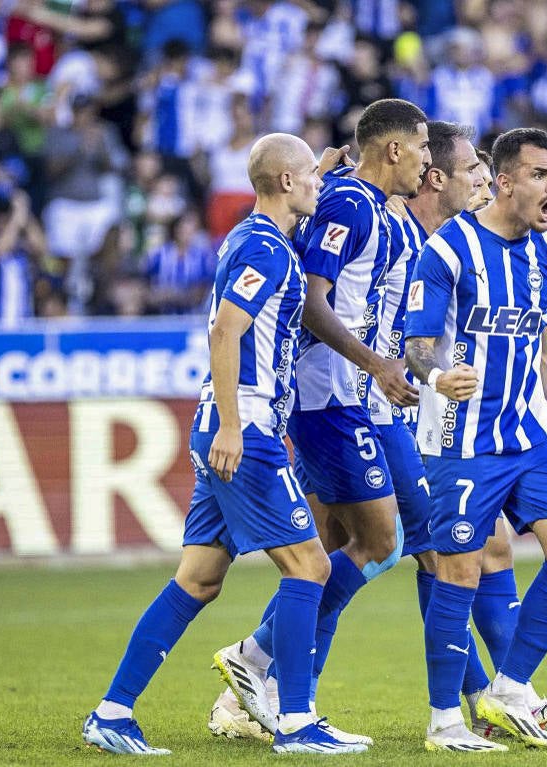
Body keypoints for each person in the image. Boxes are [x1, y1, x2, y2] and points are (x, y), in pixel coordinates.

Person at [81, 132, 368, 756]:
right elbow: (225, 332)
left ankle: (112, 712)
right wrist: (237, 427)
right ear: (286, 183)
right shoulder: (266, 250)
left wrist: (320, 163)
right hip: (248, 429)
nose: (320, 187)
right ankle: (295, 721)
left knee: (199, 578)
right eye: (311, 179)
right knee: (311, 566)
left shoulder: (255, 237)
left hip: (228, 424)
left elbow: (284, 193)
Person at [210, 99, 430, 745]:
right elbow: (312, 299)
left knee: (332, 552)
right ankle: (258, 660)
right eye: (424, 151)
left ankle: (258, 692)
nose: (427, 164)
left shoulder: (383, 215)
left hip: (351, 396)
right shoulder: (350, 205)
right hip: (326, 397)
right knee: (380, 540)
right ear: (396, 150)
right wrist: (375, 363)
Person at [405, 127, 547, 751]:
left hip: (524, 433)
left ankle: (509, 690)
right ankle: (445, 721)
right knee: (459, 571)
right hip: (459, 436)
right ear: (504, 182)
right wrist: (440, 375)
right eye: (541, 175)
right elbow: (415, 345)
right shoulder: (449, 249)